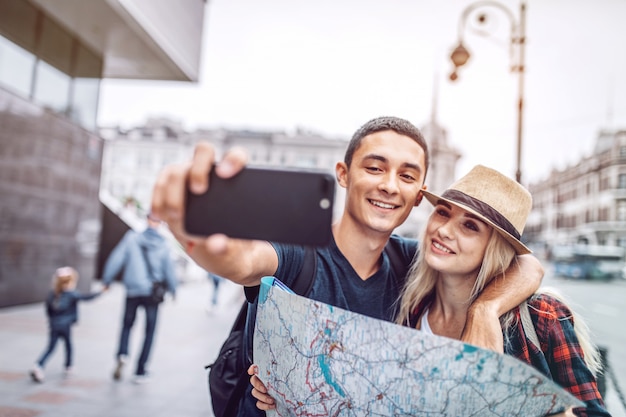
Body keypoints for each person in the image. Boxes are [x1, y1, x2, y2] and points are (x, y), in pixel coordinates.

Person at [151, 116, 544, 415]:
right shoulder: (297, 253)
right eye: (374, 168)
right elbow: (241, 260)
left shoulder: (411, 262)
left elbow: (527, 267)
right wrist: (196, 231)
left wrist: (485, 309)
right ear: (344, 174)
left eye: (407, 176)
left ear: (418, 194)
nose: (390, 185)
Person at [392, 165, 608, 416]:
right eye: (442, 212)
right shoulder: (411, 307)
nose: (444, 230)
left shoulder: (541, 316)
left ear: (494, 248)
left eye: (470, 226)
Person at [102, 212, 178, 384]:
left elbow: (117, 258)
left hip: (133, 290)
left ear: (147, 220)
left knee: (127, 325)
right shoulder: (164, 244)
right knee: (149, 331)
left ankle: (122, 354)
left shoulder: (132, 238)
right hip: (152, 292)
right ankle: (140, 370)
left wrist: (107, 279)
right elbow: (169, 269)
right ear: (160, 223)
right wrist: (173, 289)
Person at [30, 266, 104, 383]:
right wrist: (100, 292)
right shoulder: (72, 294)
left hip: (54, 325)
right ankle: (68, 367)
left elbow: (48, 310)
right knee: (68, 346)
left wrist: (51, 320)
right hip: (65, 325)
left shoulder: (52, 294)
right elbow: (86, 297)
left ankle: (39, 365)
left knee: (51, 347)